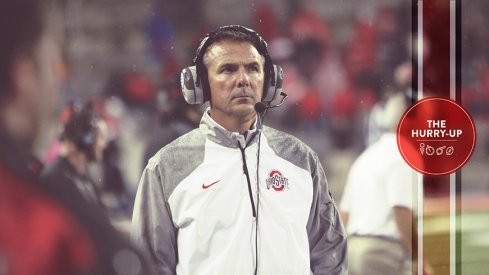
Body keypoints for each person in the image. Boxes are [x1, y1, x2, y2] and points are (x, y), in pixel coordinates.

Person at [131, 25, 347, 274]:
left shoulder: (300, 159)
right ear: (200, 84)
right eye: (227, 69)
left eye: (253, 68)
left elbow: (329, 254)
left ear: (269, 81)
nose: (243, 79)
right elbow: (148, 265)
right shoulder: (166, 167)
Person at [0, 0, 149, 274]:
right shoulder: (50, 218)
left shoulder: (75, 182)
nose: (57, 82)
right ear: (26, 73)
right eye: (54, 61)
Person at [339, 93, 432, 275]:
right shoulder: (405, 156)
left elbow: (344, 214)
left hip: (354, 250)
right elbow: (401, 211)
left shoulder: (366, 156)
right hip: (383, 254)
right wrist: (421, 260)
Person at [42, 102, 107, 209]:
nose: (104, 145)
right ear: (86, 139)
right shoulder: (56, 180)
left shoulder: (84, 179)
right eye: (101, 137)